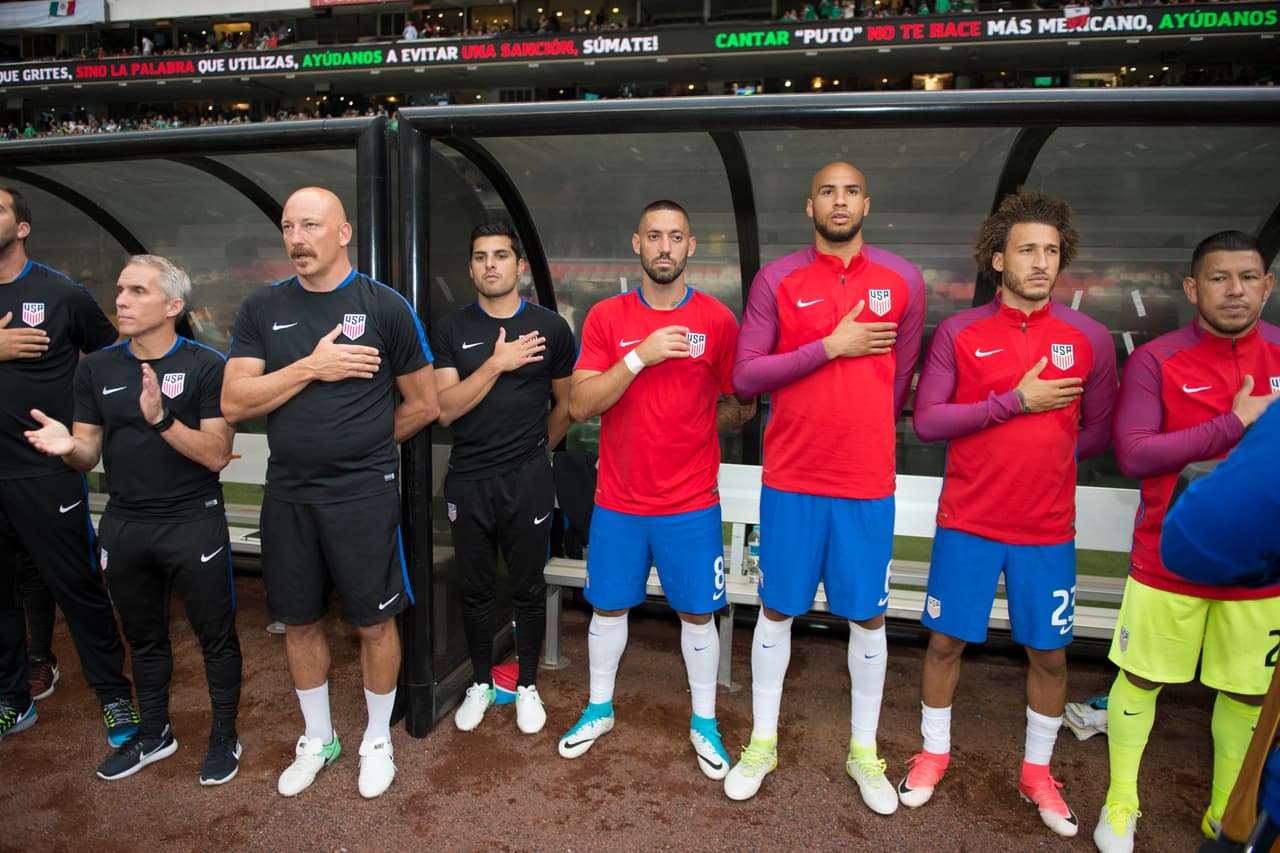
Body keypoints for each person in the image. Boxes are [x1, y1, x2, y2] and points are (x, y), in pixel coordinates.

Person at [902, 192, 1118, 837]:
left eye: (1051, 251)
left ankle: (1037, 774)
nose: (1041, 262)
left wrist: (1041, 457)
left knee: (1050, 655)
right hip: (968, 523)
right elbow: (929, 421)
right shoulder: (961, 333)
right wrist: (1014, 403)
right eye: (1027, 250)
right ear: (998, 259)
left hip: (1045, 532)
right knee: (946, 643)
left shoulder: (1090, 338)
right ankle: (933, 754)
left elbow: (1097, 431)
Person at [222, 187, 439, 799]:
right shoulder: (262, 307)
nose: (297, 239)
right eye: (288, 227)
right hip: (289, 493)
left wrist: (364, 443)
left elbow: (425, 404)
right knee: (298, 621)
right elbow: (234, 401)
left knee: (374, 623)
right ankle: (319, 738)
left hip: (363, 494)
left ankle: (377, 739)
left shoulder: (384, 306)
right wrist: (309, 368)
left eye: (311, 226)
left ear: (344, 233)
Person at [727, 161, 925, 812]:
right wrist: (831, 346)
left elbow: (898, 380)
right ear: (809, 206)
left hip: (865, 481)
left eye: (851, 191)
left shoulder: (904, 279)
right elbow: (748, 376)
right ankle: (762, 742)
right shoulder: (778, 279)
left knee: (868, 614)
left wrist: (857, 421)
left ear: (868, 203)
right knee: (777, 608)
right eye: (827, 192)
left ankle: (864, 751)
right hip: (792, 477)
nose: (840, 201)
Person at [1094, 230, 1280, 853]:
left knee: (1249, 690)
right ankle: (1121, 803)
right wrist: (1236, 422)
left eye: (1248, 278)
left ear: (1268, 286)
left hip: (1264, 570)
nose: (1235, 290)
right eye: (1219, 278)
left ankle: (1224, 813)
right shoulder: (1158, 360)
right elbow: (1135, 454)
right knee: (1141, 679)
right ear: (1193, 288)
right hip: (1166, 560)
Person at [25, 255, 244, 784]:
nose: (121, 300)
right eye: (121, 289)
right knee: (143, 639)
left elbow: (216, 455)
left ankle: (223, 737)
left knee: (215, 638)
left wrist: (161, 419)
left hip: (192, 520)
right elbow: (88, 453)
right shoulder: (96, 368)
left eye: (137, 291)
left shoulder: (206, 365)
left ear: (172, 306)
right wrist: (69, 448)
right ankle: (155, 732)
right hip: (125, 525)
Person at [557, 200, 753, 780]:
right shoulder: (606, 317)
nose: (664, 247)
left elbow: (740, 404)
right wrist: (639, 357)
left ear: (690, 246)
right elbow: (580, 405)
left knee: (698, 614)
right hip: (618, 500)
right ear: (637, 244)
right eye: (654, 236)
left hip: (690, 503)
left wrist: (699, 423)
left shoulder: (717, 320)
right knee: (607, 606)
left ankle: (704, 722)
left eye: (675, 237)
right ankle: (599, 709)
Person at [0, 185, 138, 746]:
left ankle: (114, 697)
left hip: (43, 468)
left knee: (77, 586)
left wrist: (90, 425)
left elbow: (112, 356)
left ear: (22, 227)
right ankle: (12, 701)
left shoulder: (60, 293)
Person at [432, 221, 573, 736]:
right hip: (469, 480)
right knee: (474, 588)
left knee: (527, 587)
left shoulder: (550, 328)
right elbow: (445, 409)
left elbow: (567, 405)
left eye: (500, 255)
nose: (490, 264)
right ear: (471, 269)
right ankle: (479, 682)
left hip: (527, 480)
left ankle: (528, 684)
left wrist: (534, 453)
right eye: (480, 256)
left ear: (519, 265)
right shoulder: (450, 330)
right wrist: (496, 364)